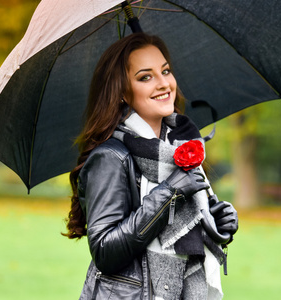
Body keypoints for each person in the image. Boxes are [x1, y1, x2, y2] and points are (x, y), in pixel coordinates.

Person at [62, 32, 238, 300]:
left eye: (165, 71)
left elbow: (189, 233)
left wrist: (218, 224)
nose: (163, 83)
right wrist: (170, 193)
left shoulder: (180, 146)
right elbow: (105, 252)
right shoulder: (110, 157)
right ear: (122, 92)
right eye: (146, 76)